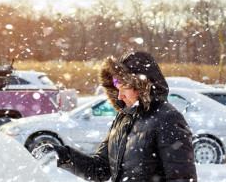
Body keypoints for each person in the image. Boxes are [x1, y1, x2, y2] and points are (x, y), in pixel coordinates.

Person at [38, 52, 197, 182]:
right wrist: (63, 154)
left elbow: (182, 178)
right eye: (117, 89)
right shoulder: (123, 119)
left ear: (142, 87)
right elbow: (100, 169)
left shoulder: (168, 119)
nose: (119, 96)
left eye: (124, 88)